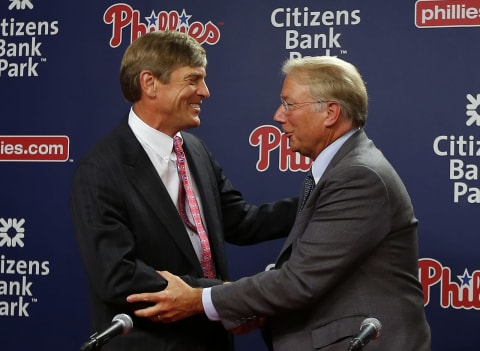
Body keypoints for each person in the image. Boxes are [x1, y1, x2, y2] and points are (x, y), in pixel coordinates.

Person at [126, 56, 432, 351]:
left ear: (330, 113)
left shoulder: (357, 176)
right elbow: (307, 268)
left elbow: (299, 280)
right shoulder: (341, 168)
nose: (278, 115)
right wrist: (251, 304)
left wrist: (199, 299)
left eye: (289, 104)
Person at [70, 30, 298, 351]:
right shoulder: (101, 170)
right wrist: (215, 295)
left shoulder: (194, 149)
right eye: (193, 80)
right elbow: (117, 276)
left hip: (212, 341)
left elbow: (241, 221)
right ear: (149, 84)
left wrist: (318, 201)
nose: (205, 91)